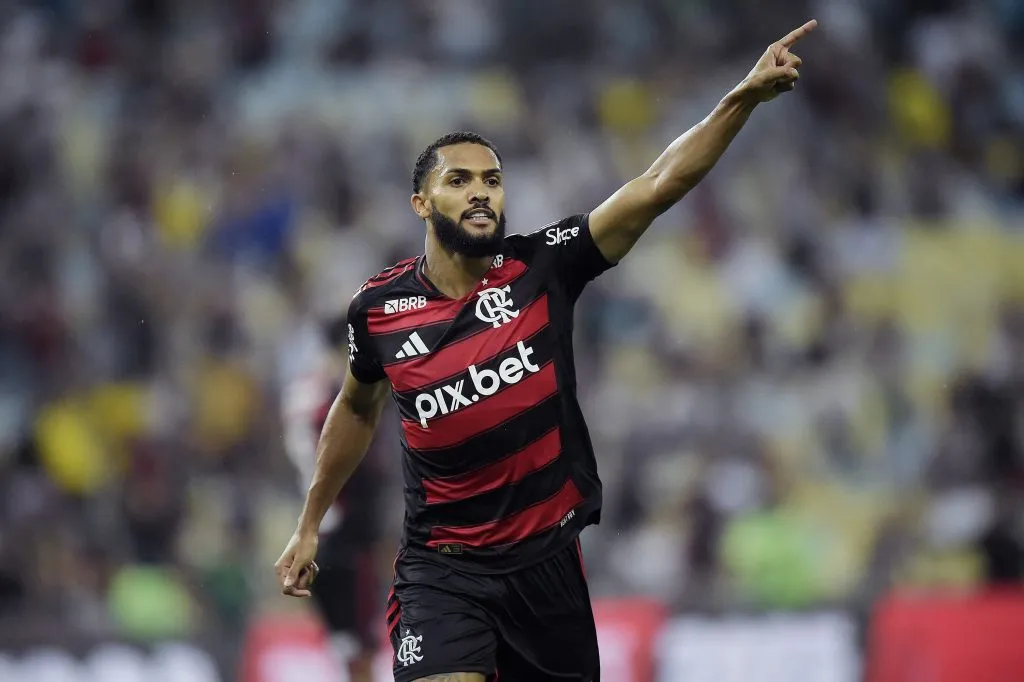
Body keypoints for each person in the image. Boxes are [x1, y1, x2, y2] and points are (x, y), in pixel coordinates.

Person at [275, 20, 817, 682]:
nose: (481, 192)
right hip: (442, 573)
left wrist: (740, 99)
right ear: (421, 202)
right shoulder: (379, 310)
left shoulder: (543, 267)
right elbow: (356, 409)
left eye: (493, 180)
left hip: (547, 569)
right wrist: (309, 524)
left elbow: (655, 185)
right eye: (459, 180)